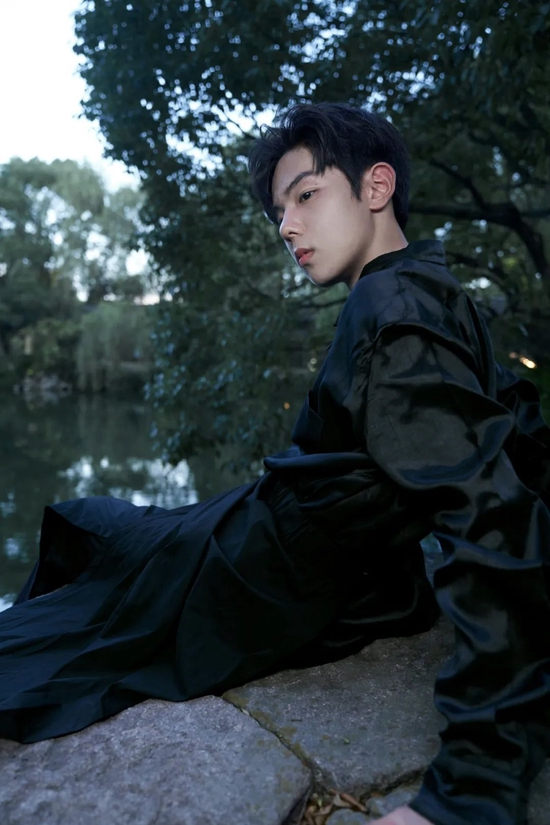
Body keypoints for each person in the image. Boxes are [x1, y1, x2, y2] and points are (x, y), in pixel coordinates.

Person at [0, 103, 549, 825]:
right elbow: (527, 448)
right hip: (305, 559)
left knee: (84, 536)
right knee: (96, 530)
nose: (287, 226)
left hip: (263, 576)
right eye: (279, 212)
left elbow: (494, 520)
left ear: (376, 186)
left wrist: (470, 793)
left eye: (305, 195)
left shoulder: (397, 311)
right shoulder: (436, 292)